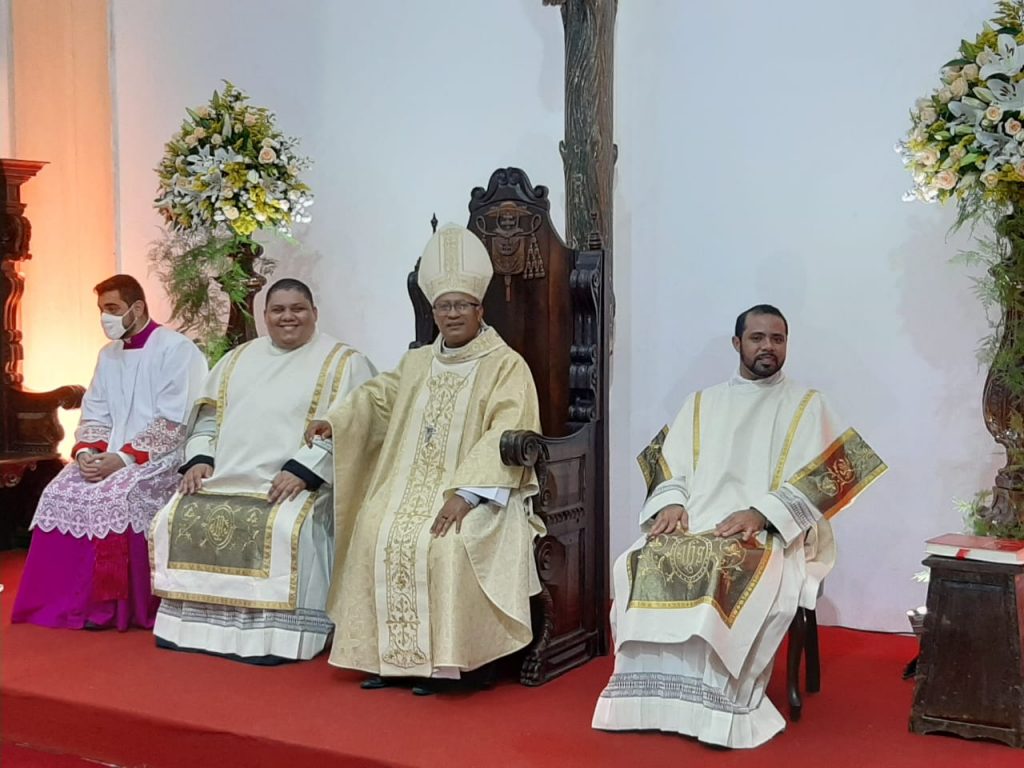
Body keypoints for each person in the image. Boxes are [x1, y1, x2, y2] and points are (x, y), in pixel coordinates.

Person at [592, 304, 887, 748]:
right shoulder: (701, 403)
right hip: (700, 518)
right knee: (640, 557)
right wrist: (671, 503)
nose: (768, 346)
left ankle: (721, 705)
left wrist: (763, 513)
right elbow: (668, 469)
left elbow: (837, 471)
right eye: (757, 338)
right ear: (737, 344)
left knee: (728, 564)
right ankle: (650, 701)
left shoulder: (809, 404)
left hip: (770, 532)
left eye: (777, 339)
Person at [306, 223, 544, 694]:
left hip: (481, 493)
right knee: (375, 524)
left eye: (461, 305)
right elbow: (379, 397)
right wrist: (337, 420)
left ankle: (453, 664)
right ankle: (387, 658)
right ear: (432, 311)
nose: (452, 314)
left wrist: (467, 493)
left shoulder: (505, 364)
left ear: (480, 308)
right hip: (407, 485)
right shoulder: (418, 361)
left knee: (450, 540)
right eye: (443, 306)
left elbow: (510, 430)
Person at [149, 278, 375, 663]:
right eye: (278, 310)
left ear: (314, 313)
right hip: (226, 477)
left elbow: (355, 427)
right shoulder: (237, 359)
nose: (288, 317)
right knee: (172, 514)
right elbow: (206, 422)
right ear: (265, 316)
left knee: (287, 524)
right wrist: (201, 459)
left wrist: (305, 470)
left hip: (296, 483)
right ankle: (193, 627)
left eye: (297, 309)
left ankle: (275, 639)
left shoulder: (345, 363)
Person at [12, 274, 207, 630]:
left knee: (119, 495)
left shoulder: (176, 349)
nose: (106, 317)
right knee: (58, 491)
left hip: (162, 456)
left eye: (113, 308)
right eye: (102, 310)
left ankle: (111, 609)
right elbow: (96, 410)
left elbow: (176, 418)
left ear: (137, 308)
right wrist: (88, 451)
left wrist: (125, 458)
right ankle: (64, 603)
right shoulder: (108, 354)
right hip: (110, 454)